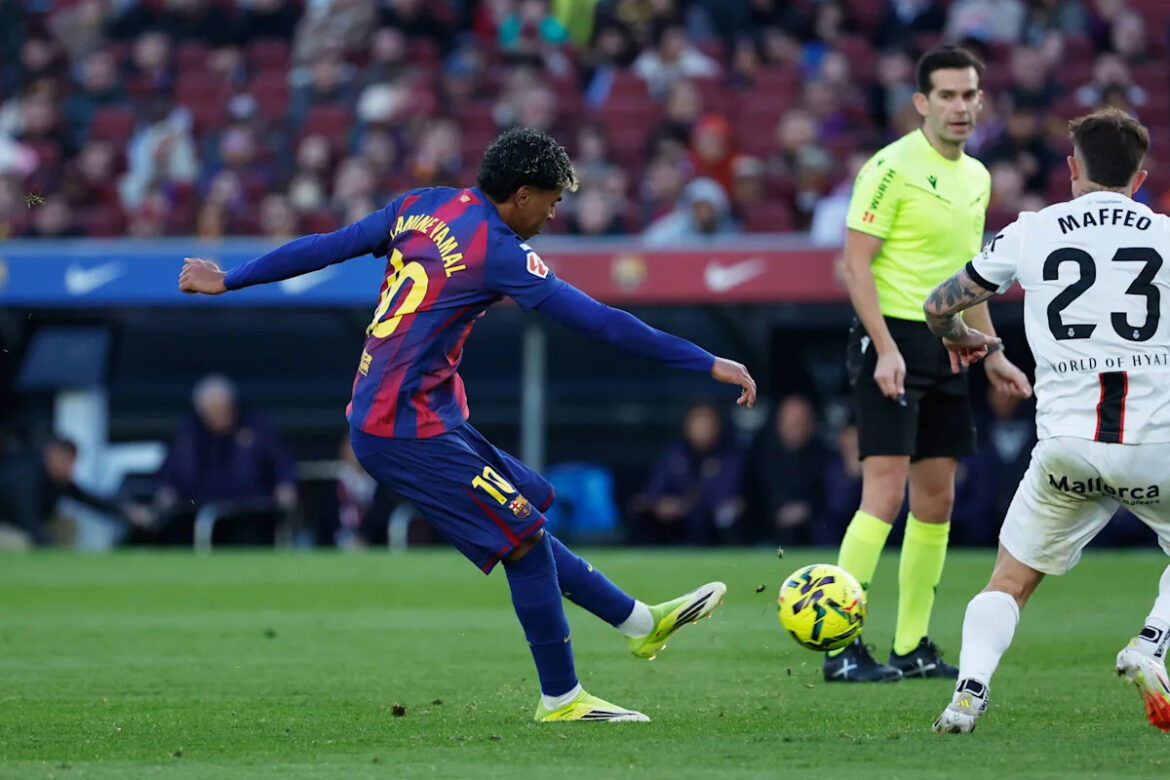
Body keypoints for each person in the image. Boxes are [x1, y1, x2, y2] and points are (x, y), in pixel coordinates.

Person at [178, 127, 757, 723]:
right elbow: (602, 322)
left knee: (527, 516)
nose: (552, 215)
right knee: (522, 539)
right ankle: (563, 700)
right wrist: (706, 361)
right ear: (523, 194)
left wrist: (229, 278)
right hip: (402, 430)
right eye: (552, 202)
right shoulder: (499, 251)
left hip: (421, 416)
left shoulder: (420, 205)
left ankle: (639, 623)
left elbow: (327, 246)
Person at [926, 107, 1170, 734]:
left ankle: (967, 694)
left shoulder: (1032, 230)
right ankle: (1150, 643)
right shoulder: (1166, 237)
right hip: (1156, 445)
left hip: (1066, 447)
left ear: (1072, 170)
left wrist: (959, 335)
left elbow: (939, 304)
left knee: (1008, 580)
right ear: (1140, 178)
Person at [828, 45, 1033, 683]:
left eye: (969, 94)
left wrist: (992, 352)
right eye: (947, 95)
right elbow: (855, 264)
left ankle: (911, 645)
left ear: (980, 99)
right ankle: (840, 646)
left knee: (937, 500)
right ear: (922, 102)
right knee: (884, 494)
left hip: (947, 341)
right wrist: (885, 347)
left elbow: (972, 280)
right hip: (891, 338)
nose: (960, 106)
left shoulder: (978, 176)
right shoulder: (890, 167)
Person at [0, 436, 151, 545]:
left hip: (26, 525)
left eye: (72, 462)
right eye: (66, 461)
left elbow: (89, 500)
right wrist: (45, 543)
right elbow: (28, 517)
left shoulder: (58, 480)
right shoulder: (24, 476)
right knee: (21, 543)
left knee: (66, 524)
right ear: (51, 455)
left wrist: (125, 511)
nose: (70, 467)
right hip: (7, 526)